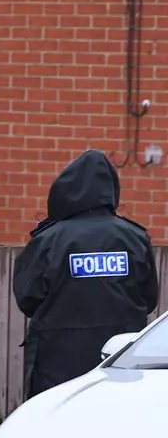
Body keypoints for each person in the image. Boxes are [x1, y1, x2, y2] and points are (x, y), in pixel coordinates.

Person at [13, 148, 158, 399]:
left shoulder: (48, 240)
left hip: (58, 365)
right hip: (119, 367)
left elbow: (28, 297)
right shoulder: (135, 238)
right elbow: (148, 299)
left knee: (56, 434)